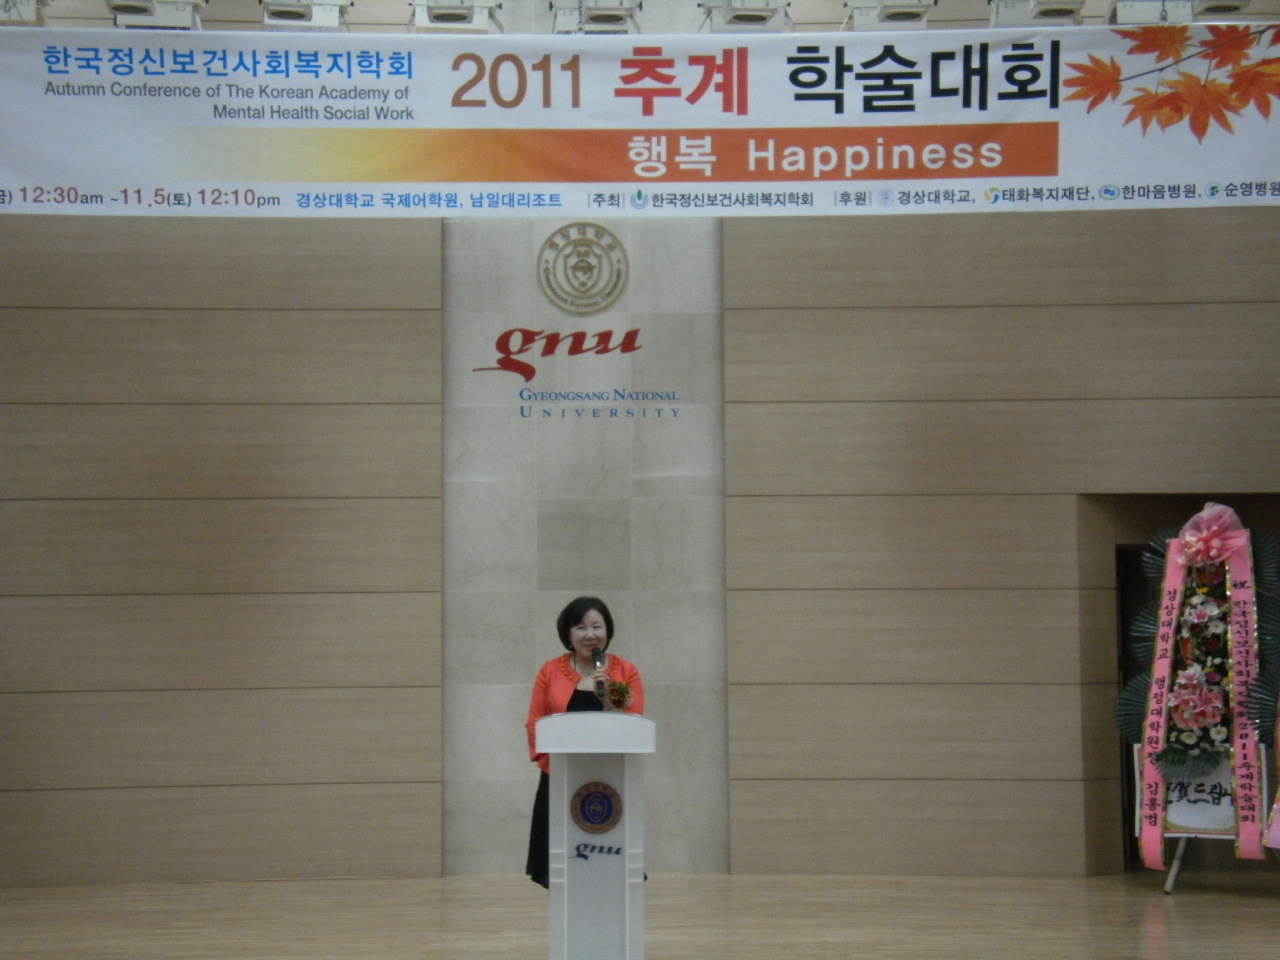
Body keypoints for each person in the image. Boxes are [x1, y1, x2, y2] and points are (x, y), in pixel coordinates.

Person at [525, 596, 645, 889]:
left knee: (609, 860)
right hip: (561, 775)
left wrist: (609, 697)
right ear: (568, 634)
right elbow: (536, 722)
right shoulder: (550, 671)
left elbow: (635, 723)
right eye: (581, 627)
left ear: (608, 631)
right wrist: (551, 762)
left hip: (611, 777)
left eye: (597, 627)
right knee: (560, 866)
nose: (590, 635)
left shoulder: (625, 671)